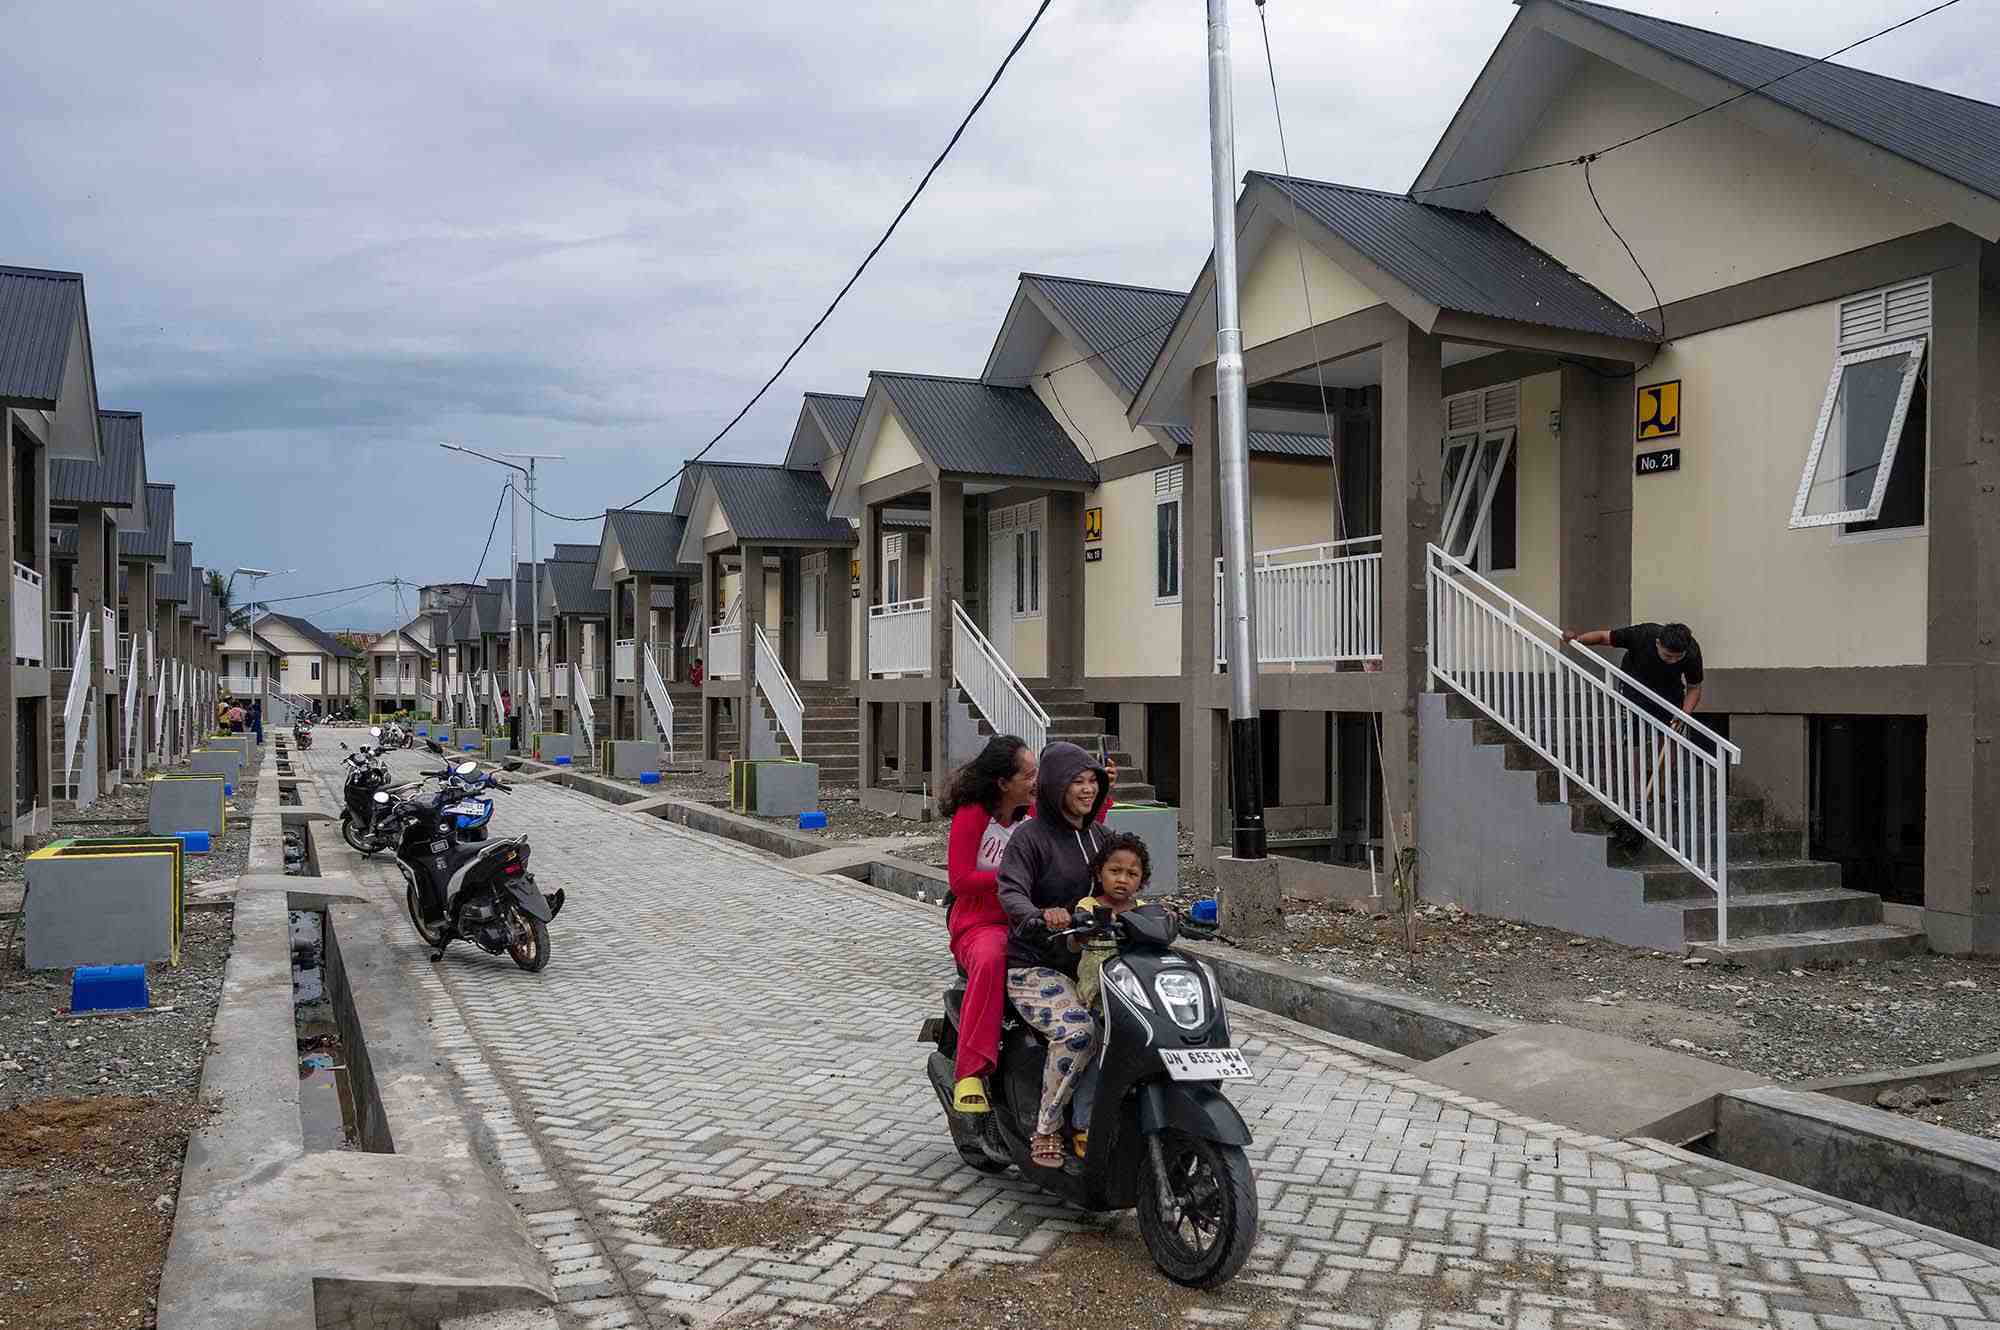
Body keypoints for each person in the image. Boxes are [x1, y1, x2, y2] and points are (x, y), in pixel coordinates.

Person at [996, 741, 1112, 1168]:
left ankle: (1098, 1119)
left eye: (1092, 782)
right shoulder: (1030, 837)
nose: (1087, 790)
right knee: (1079, 1031)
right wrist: (1036, 915)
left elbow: (1126, 872)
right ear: (1055, 787)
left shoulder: (1099, 836)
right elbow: (1010, 888)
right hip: (1037, 964)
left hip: (1091, 960)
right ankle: (1046, 1127)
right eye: (1076, 782)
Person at [941, 736, 1039, 1115]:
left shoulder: (1033, 812)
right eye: (1029, 775)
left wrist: (1100, 794)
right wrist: (1013, 877)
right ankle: (971, 1071)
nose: (1036, 781)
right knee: (992, 956)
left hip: (1029, 917)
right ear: (1003, 782)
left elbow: (1077, 832)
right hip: (980, 922)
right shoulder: (974, 813)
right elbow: (960, 880)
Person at [1068, 832, 1162, 1156]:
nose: (1122, 880)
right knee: (1097, 1056)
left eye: (1132, 874)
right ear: (1100, 873)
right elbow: (1073, 941)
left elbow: (1159, 932)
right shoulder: (1089, 906)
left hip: (1135, 998)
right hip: (1099, 999)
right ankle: (1083, 1123)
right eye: (1115, 871)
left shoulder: (1143, 910)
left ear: (1142, 880)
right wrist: (1084, 928)